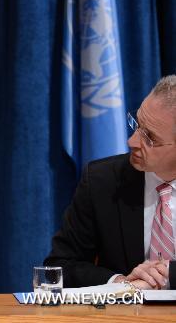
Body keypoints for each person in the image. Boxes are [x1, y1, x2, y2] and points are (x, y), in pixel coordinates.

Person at [45, 75, 176, 289]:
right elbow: (60, 266)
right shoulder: (102, 181)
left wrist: (167, 274)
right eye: (137, 124)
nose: (131, 141)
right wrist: (121, 283)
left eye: (150, 138)